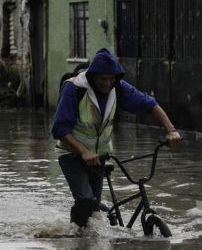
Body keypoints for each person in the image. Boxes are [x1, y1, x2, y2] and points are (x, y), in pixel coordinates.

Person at [51, 48, 182, 228]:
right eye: (102, 79)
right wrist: (84, 152)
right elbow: (58, 128)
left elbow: (150, 104)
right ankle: (75, 236)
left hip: (100, 157)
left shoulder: (118, 88)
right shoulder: (74, 89)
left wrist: (171, 130)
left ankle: (93, 225)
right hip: (71, 154)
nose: (107, 83)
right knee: (86, 200)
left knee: (93, 206)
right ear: (93, 77)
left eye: (111, 79)